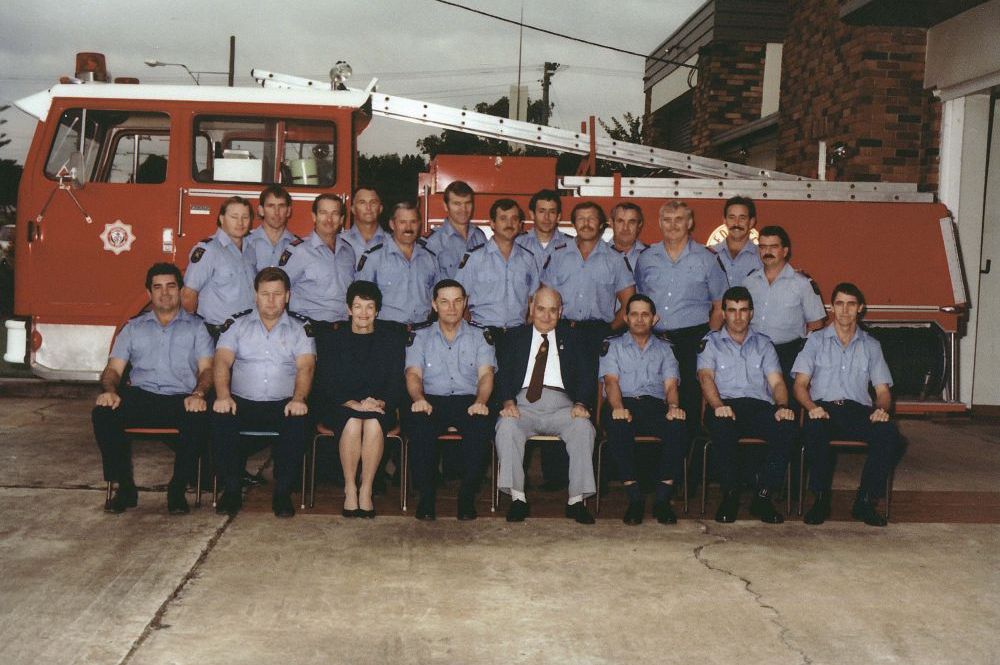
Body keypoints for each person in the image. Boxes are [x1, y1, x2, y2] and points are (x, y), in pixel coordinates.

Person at [92, 263, 213, 514]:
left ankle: (177, 489)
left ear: (180, 290)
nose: (164, 293)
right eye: (157, 287)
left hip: (181, 398)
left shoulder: (197, 328)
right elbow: (113, 370)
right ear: (149, 293)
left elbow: (207, 370)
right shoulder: (133, 328)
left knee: (199, 416)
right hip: (141, 396)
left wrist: (199, 394)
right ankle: (125, 487)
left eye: (171, 286)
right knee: (103, 413)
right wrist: (109, 390)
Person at [793, 282, 901, 527]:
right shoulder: (815, 341)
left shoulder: (872, 346)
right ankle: (820, 500)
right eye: (839, 304)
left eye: (851, 304)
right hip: (823, 409)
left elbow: (883, 391)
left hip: (857, 411)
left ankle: (865, 501)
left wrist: (881, 410)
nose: (844, 310)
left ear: (860, 308)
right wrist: (811, 407)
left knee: (888, 433)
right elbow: (799, 385)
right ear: (832, 307)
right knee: (814, 429)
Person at [211, 267, 316, 518]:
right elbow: (222, 361)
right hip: (242, 402)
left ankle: (282, 492)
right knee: (220, 418)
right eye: (265, 294)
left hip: (284, 403)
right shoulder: (236, 325)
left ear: (287, 296)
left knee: (299, 420)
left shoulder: (300, 328)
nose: (271, 300)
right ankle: (232, 489)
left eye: (277, 294)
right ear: (255, 295)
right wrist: (223, 396)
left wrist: (298, 399)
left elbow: (306, 366)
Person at [494, 287, 598, 524]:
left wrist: (581, 403)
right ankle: (518, 499)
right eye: (541, 309)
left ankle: (576, 501)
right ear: (531, 308)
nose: (546, 316)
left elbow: (587, 375)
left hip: (563, 407)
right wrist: (508, 401)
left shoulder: (574, 338)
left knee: (583, 427)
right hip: (523, 406)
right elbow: (502, 375)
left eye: (553, 310)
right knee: (507, 426)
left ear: (561, 312)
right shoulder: (514, 337)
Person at [697, 286, 796, 523]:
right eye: (732, 310)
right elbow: (706, 378)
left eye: (743, 310)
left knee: (787, 428)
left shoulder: (764, 344)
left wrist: (782, 406)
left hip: (758, 407)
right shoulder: (711, 343)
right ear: (723, 313)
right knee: (723, 427)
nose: (738, 316)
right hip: (724, 405)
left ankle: (763, 496)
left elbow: (777, 382)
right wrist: (717, 405)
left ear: (751, 313)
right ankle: (730, 495)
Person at [404, 280, 497, 521]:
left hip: (469, 400)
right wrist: (418, 398)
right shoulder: (420, 336)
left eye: (457, 301)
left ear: (465, 303)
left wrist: (481, 401)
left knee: (481, 426)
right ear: (434, 305)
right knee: (419, 425)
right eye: (444, 302)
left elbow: (486, 375)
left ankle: (466, 497)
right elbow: (413, 375)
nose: (452, 308)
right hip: (431, 399)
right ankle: (426, 498)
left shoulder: (480, 336)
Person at [633, 200, 727, 436]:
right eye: (667, 220)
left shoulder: (707, 259)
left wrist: (708, 342)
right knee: (653, 397)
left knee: (689, 402)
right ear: (659, 223)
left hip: (692, 340)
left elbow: (719, 306)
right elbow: (640, 298)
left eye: (679, 220)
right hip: (653, 339)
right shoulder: (646, 258)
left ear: (690, 222)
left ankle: (689, 458)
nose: (672, 225)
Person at [313, 280, 404, 518]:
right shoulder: (332, 340)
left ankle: (366, 489)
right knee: (353, 422)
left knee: (372, 422)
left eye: (370, 307)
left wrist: (381, 402)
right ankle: (350, 487)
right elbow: (325, 381)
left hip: (378, 407)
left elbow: (397, 381)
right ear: (349, 309)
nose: (364, 313)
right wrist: (351, 403)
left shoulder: (391, 341)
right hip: (341, 405)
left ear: (377, 311)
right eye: (358, 306)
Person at [599, 294, 687, 525]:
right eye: (634, 314)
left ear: (654, 319)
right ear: (626, 318)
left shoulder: (666, 349)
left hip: (654, 405)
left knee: (678, 425)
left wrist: (673, 407)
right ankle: (634, 498)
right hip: (623, 402)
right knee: (618, 424)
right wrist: (618, 407)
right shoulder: (613, 346)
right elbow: (611, 382)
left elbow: (671, 386)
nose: (639, 319)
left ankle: (662, 499)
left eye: (645, 314)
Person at [541, 200, 635, 358]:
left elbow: (629, 303)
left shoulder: (615, 259)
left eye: (591, 219)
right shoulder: (558, 256)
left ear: (601, 224)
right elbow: (544, 298)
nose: (586, 224)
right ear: (573, 224)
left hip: (598, 334)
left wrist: (609, 330)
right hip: (561, 332)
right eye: (581, 219)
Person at [742, 225, 827, 391]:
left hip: (788, 354)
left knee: (786, 403)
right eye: (763, 247)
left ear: (785, 251)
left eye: (773, 247)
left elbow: (817, 325)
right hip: (754, 352)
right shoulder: (749, 282)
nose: (767, 252)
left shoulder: (802, 284)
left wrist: (804, 357)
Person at [454, 198, 538, 354]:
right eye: (503, 218)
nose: (509, 224)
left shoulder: (528, 259)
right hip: (482, 335)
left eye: (514, 219)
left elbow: (533, 301)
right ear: (492, 224)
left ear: (520, 225)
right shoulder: (475, 258)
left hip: (518, 336)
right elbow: (459, 300)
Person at [355, 201, 439, 337]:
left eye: (413, 222)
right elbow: (360, 301)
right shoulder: (375, 258)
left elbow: (438, 299)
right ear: (392, 224)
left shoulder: (430, 259)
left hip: (423, 333)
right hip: (386, 334)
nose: (408, 228)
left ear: (419, 224)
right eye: (402, 222)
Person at [181, 196, 257, 337]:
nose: (240, 222)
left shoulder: (250, 250)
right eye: (234, 217)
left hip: (245, 333)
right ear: (222, 219)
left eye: (245, 217)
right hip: (216, 333)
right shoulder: (209, 250)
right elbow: (188, 295)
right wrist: (194, 332)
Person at [278, 194, 356, 325]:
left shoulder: (348, 252)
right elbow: (278, 289)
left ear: (341, 219)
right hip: (310, 328)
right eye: (323, 213)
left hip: (344, 327)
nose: (329, 219)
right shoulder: (298, 251)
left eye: (335, 213)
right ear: (314, 217)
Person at [423, 180, 488, 281]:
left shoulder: (480, 237)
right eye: (457, 204)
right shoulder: (433, 241)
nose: (463, 209)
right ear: (446, 206)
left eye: (468, 203)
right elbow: (425, 283)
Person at [711, 196, 763, 286]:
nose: (736, 223)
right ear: (724, 220)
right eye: (732, 217)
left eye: (742, 218)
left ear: (751, 222)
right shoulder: (710, 255)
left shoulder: (762, 257)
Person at [246, 185, 299, 274]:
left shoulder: (299, 247)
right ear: (261, 210)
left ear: (288, 211)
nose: (276, 212)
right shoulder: (246, 242)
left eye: (281, 206)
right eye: (271, 206)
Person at [517, 189, 572, 272]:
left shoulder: (572, 245)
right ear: (532, 214)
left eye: (552, 212)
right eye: (542, 211)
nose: (547, 217)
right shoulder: (518, 243)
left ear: (558, 216)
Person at [343, 185, 386, 252]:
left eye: (373, 203)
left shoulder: (393, 242)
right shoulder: (339, 241)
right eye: (362, 203)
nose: (368, 208)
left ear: (380, 208)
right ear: (353, 209)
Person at [608, 201, 648, 271]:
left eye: (631, 222)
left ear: (639, 225)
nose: (625, 228)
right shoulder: (597, 254)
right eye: (620, 221)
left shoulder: (652, 255)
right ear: (611, 223)